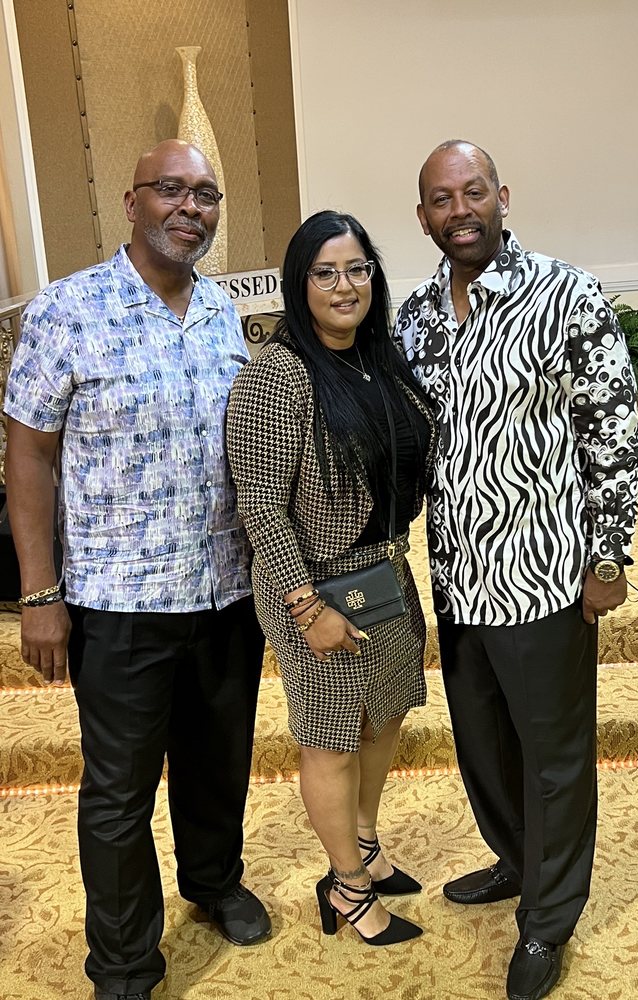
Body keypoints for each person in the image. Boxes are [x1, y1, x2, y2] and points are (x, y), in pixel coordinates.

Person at [4, 140, 270, 1000]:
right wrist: (38, 592)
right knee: (119, 793)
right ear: (132, 202)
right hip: (118, 602)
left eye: (206, 195)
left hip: (226, 591)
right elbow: (29, 455)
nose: (191, 208)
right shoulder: (66, 310)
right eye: (171, 190)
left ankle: (213, 881)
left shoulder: (225, 310)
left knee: (218, 762)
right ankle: (124, 964)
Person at [393, 140, 638, 1000]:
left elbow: (614, 431)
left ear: (503, 197)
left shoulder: (564, 294)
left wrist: (608, 554)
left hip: (544, 574)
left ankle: (548, 920)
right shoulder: (417, 317)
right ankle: (517, 858)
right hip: (458, 577)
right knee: (484, 746)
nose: (459, 210)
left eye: (473, 192)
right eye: (441, 199)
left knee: (553, 756)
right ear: (422, 216)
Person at [226, 210, 436, 946]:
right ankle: (346, 884)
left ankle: (366, 844)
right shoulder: (277, 375)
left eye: (356, 269)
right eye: (325, 273)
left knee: (385, 714)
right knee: (332, 740)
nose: (345, 286)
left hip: (385, 570)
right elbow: (259, 504)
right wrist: (306, 606)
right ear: (299, 283)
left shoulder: (381, 359)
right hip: (315, 587)